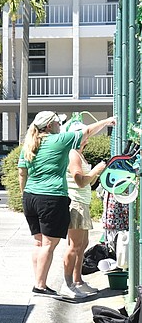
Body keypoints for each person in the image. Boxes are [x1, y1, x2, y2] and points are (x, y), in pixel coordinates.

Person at [18, 111, 114, 296]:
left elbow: (22, 173)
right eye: (57, 123)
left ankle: (39, 280)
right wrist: (107, 121)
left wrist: (25, 195)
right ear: (49, 126)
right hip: (51, 197)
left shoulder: (29, 145)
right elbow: (86, 132)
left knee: (38, 243)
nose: (59, 126)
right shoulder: (59, 140)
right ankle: (40, 285)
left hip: (30, 196)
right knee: (49, 244)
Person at [63, 120, 108, 299]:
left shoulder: (80, 154)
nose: (87, 138)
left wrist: (95, 173)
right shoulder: (73, 154)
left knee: (82, 245)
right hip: (76, 204)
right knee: (74, 246)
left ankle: (78, 281)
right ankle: (68, 284)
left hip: (83, 203)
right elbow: (80, 180)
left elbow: (87, 182)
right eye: (84, 135)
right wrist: (96, 170)